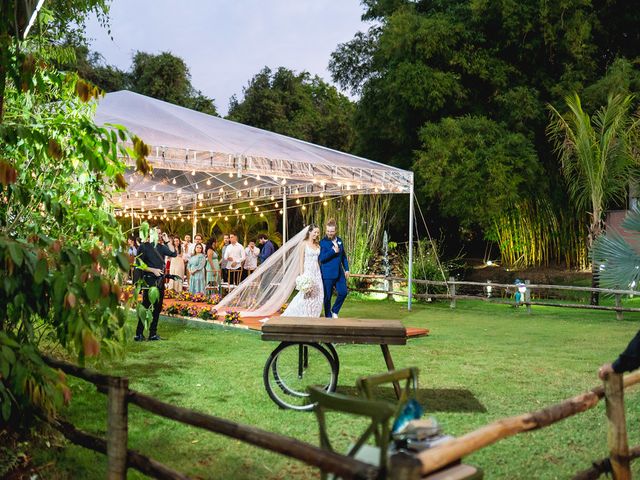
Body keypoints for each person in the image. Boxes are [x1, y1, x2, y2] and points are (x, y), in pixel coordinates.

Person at [134, 225, 176, 341]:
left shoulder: (161, 247)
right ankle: (139, 334)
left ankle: (153, 334)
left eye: (160, 233)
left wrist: (167, 240)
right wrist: (153, 270)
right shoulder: (143, 247)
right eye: (156, 233)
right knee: (146, 306)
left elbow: (174, 253)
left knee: (157, 308)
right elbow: (138, 264)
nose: (158, 235)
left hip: (160, 281)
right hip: (148, 280)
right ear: (149, 234)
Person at [281, 224, 324, 317]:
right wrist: (302, 276)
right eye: (315, 232)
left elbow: (319, 261)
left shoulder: (318, 245)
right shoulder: (303, 244)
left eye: (318, 233)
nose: (316, 234)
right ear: (309, 232)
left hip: (316, 272)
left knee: (318, 294)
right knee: (305, 295)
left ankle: (313, 315)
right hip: (308, 272)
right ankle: (303, 314)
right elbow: (301, 261)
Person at [319, 219, 349, 318]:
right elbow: (322, 258)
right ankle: (328, 316)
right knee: (327, 297)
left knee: (343, 292)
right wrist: (333, 251)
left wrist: (347, 269)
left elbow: (343, 256)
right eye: (328, 231)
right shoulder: (322, 243)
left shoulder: (340, 240)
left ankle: (335, 310)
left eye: (331, 231)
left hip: (339, 273)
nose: (329, 233)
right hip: (327, 273)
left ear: (335, 231)